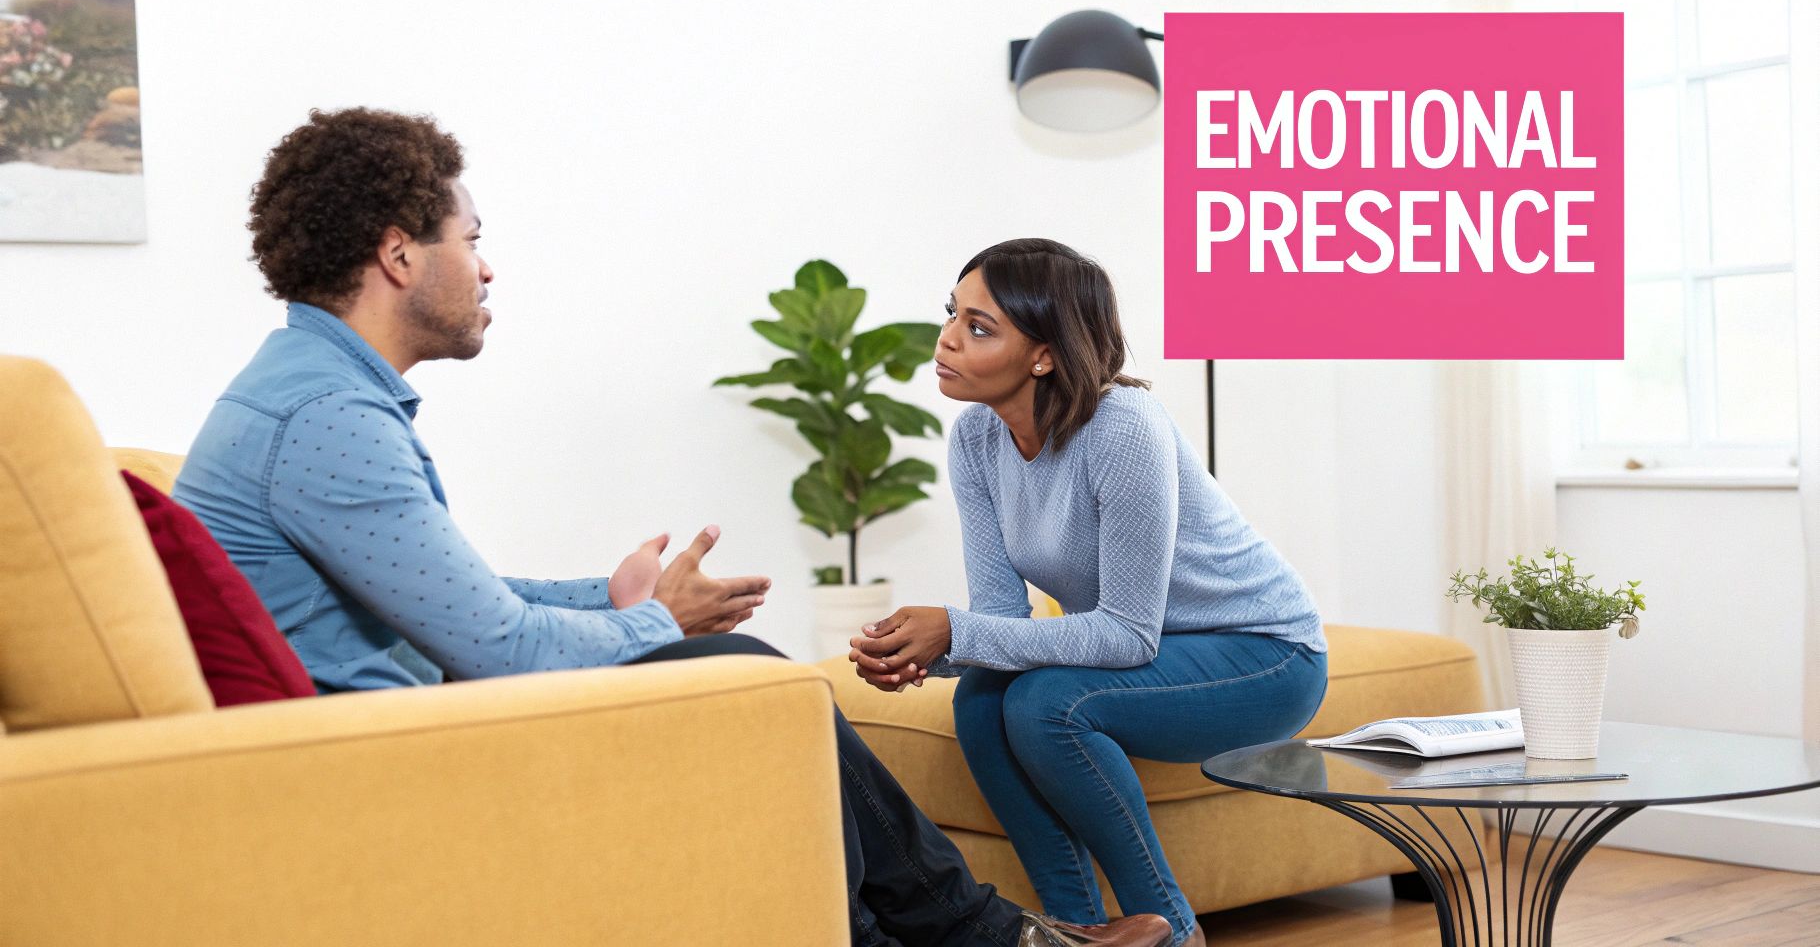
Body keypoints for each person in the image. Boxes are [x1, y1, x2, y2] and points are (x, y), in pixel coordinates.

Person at [172, 110, 1170, 947]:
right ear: (399, 254)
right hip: (390, 755)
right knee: (745, 671)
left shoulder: (311, 394)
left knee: (742, 683)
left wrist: (618, 602)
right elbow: (498, 647)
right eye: (470, 240)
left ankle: (975, 937)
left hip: (401, 723)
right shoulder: (330, 420)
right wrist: (656, 623)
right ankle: (991, 938)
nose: (487, 268)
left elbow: (452, 598)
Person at [848, 239, 1330, 947]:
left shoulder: (1123, 429)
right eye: (952, 314)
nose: (947, 339)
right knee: (982, 702)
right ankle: (1072, 934)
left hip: (1264, 655)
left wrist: (953, 630)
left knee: (1048, 705)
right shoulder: (976, 438)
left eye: (979, 328)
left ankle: (1172, 929)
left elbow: (1126, 632)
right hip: (1151, 651)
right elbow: (1001, 622)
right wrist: (925, 655)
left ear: (1043, 354)